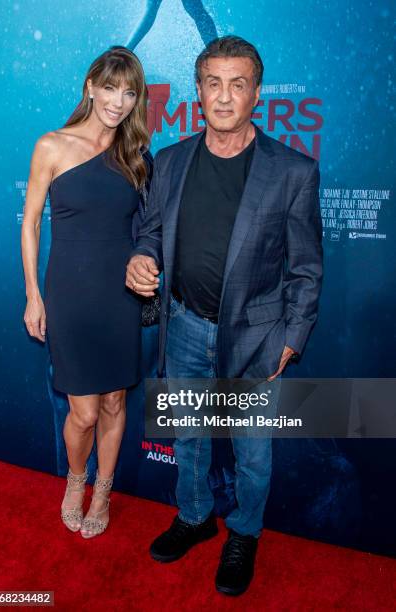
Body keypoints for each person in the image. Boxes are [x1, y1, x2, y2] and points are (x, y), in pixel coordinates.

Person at [126, 35, 323, 595]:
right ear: (199, 90)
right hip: (183, 326)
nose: (224, 96)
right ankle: (194, 517)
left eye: (238, 84)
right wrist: (142, 256)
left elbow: (306, 268)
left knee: (251, 452)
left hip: (257, 337)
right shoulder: (169, 161)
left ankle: (244, 532)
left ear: (256, 94)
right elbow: (152, 231)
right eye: (213, 83)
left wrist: (293, 334)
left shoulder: (292, 172)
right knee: (187, 437)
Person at [21, 46, 152, 539]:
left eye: (129, 92)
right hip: (70, 294)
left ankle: (103, 490)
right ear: (90, 87)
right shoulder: (51, 145)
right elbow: (31, 223)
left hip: (119, 296)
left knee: (115, 402)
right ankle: (76, 479)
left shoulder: (136, 155)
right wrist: (34, 294)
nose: (118, 101)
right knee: (84, 411)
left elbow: (150, 229)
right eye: (110, 88)